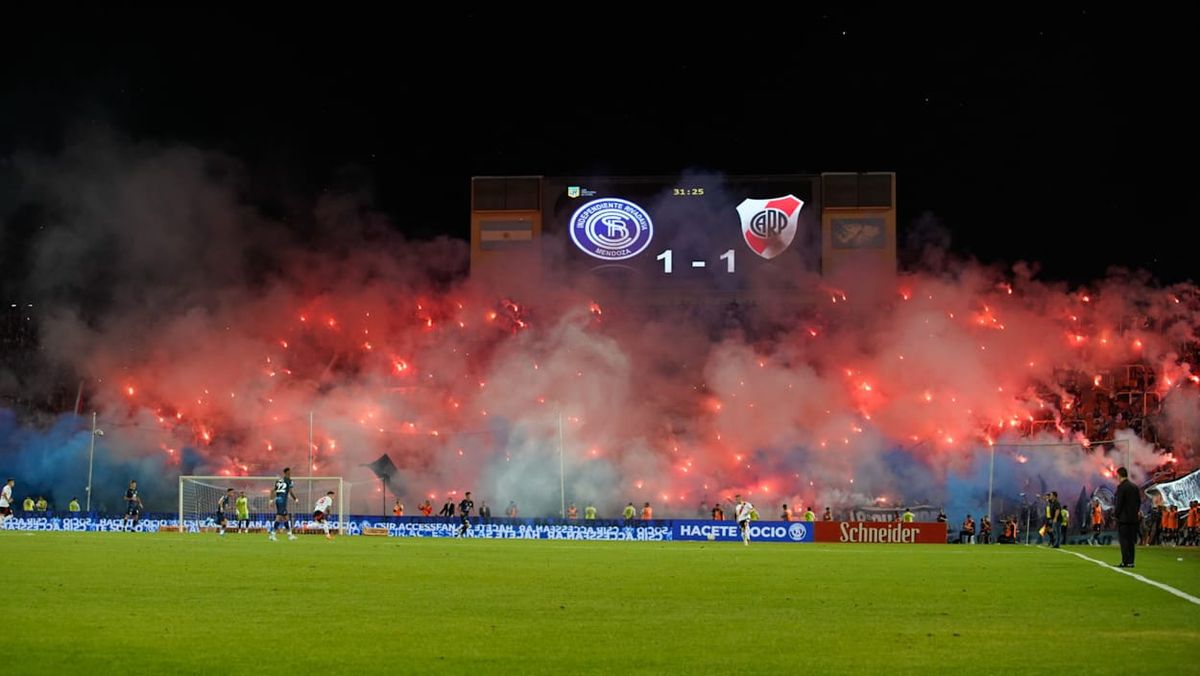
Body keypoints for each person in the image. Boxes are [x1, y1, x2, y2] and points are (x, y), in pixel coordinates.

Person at [1113, 467, 1141, 568]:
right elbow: (1138, 502)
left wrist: (1116, 515)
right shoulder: (1134, 487)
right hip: (1133, 519)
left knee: (1124, 541)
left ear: (1119, 475)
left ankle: (1125, 561)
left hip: (1124, 519)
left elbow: (1119, 503)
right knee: (1131, 541)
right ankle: (1131, 561)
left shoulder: (1121, 487)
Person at [270, 467, 298, 541]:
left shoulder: (278, 481)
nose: (290, 473)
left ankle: (290, 535)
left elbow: (272, 491)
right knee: (279, 517)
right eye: (289, 472)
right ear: (286, 472)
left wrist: (271, 500)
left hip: (278, 500)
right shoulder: (289, 481)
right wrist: (295, 499)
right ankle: (272, 534)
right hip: (282, 501)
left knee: (286, 517)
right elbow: (290, 491)